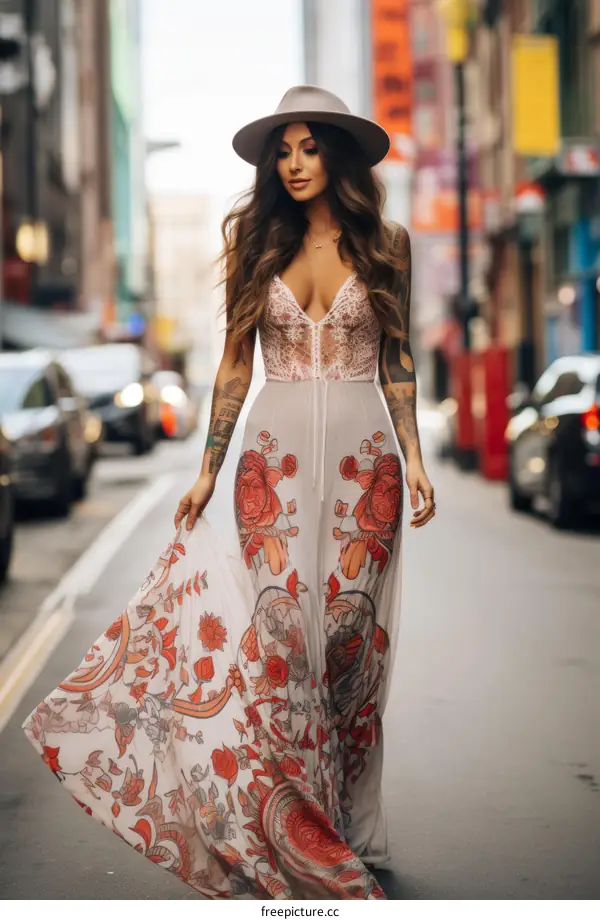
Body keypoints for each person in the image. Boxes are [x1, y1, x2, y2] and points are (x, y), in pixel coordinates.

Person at [23, 85, 435, 900]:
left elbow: (396, 357)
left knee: (350, 647)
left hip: (366, 465)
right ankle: (303, 827)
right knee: (284, 647)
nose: (295, 164)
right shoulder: (258, 245)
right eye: (283, 152)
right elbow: (235, 365)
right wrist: (210, 468)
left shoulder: (388, 244)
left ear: (337, 156)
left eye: (309, 148)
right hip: (270, 465)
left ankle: (349, 817)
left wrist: (414, 455)